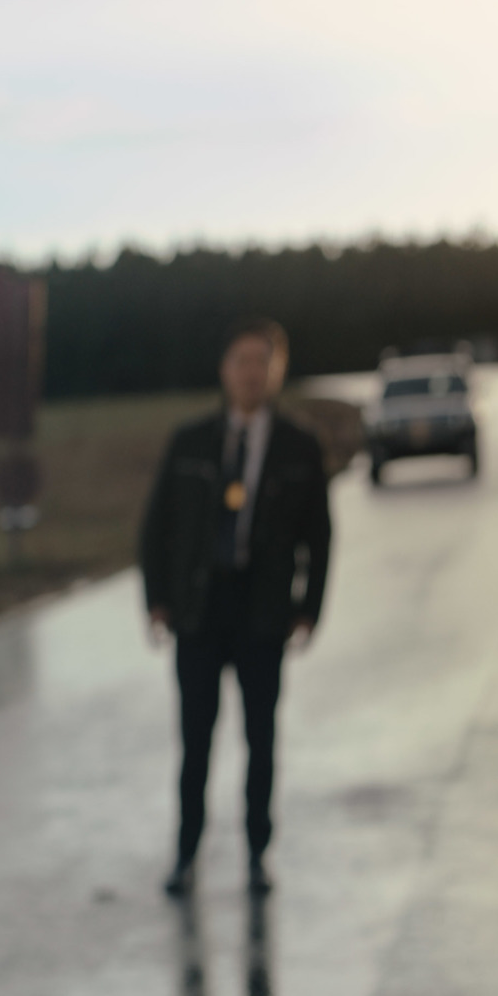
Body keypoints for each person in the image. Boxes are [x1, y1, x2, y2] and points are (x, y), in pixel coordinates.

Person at [139, 318, 331, 897]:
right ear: (225, 370)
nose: (251, 372)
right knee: (195, 741)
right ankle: (185, 854)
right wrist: (158, 601)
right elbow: (157, 525)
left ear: (277, 371)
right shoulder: (190, 441)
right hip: (200, 611)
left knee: (260, 739)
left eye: (261, 362)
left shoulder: (299, 446)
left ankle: (257, 854)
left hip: (263, 612)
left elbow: (320, 536)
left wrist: (309, 608)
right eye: (241, 361)